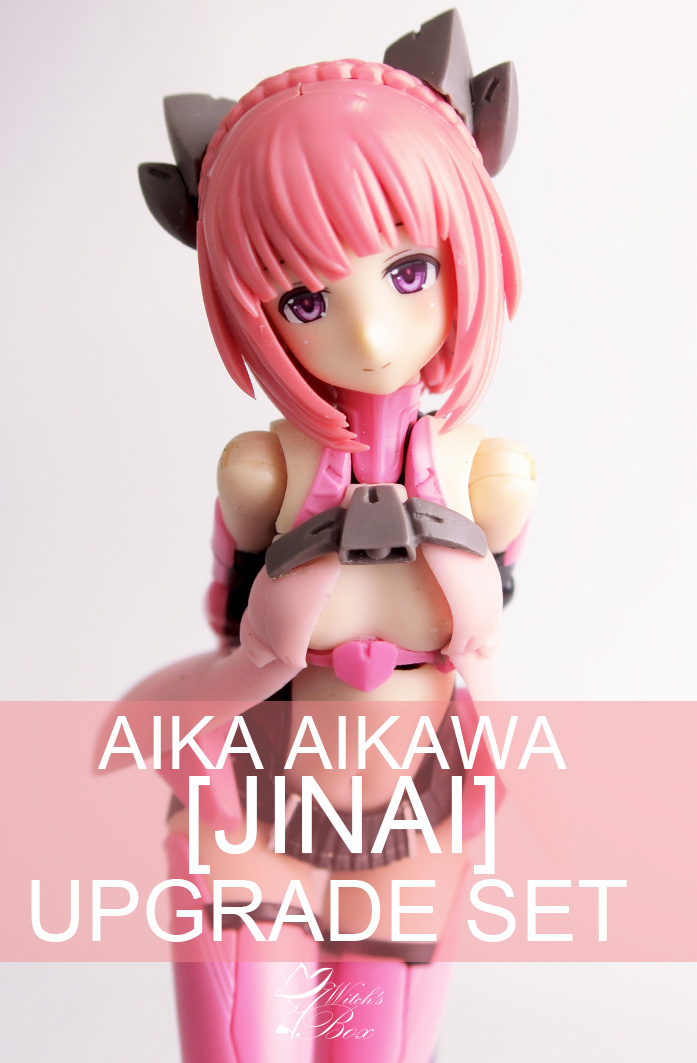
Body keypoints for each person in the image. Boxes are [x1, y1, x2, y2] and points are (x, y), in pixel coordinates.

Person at [132, 12, 537, 1061]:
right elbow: (228, 616)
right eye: (305, 298)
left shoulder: (490, 477)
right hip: (253, 796)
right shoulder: (259, 472)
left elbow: (487, 634)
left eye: (407, 272)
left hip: (416, 806)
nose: (364, 333)